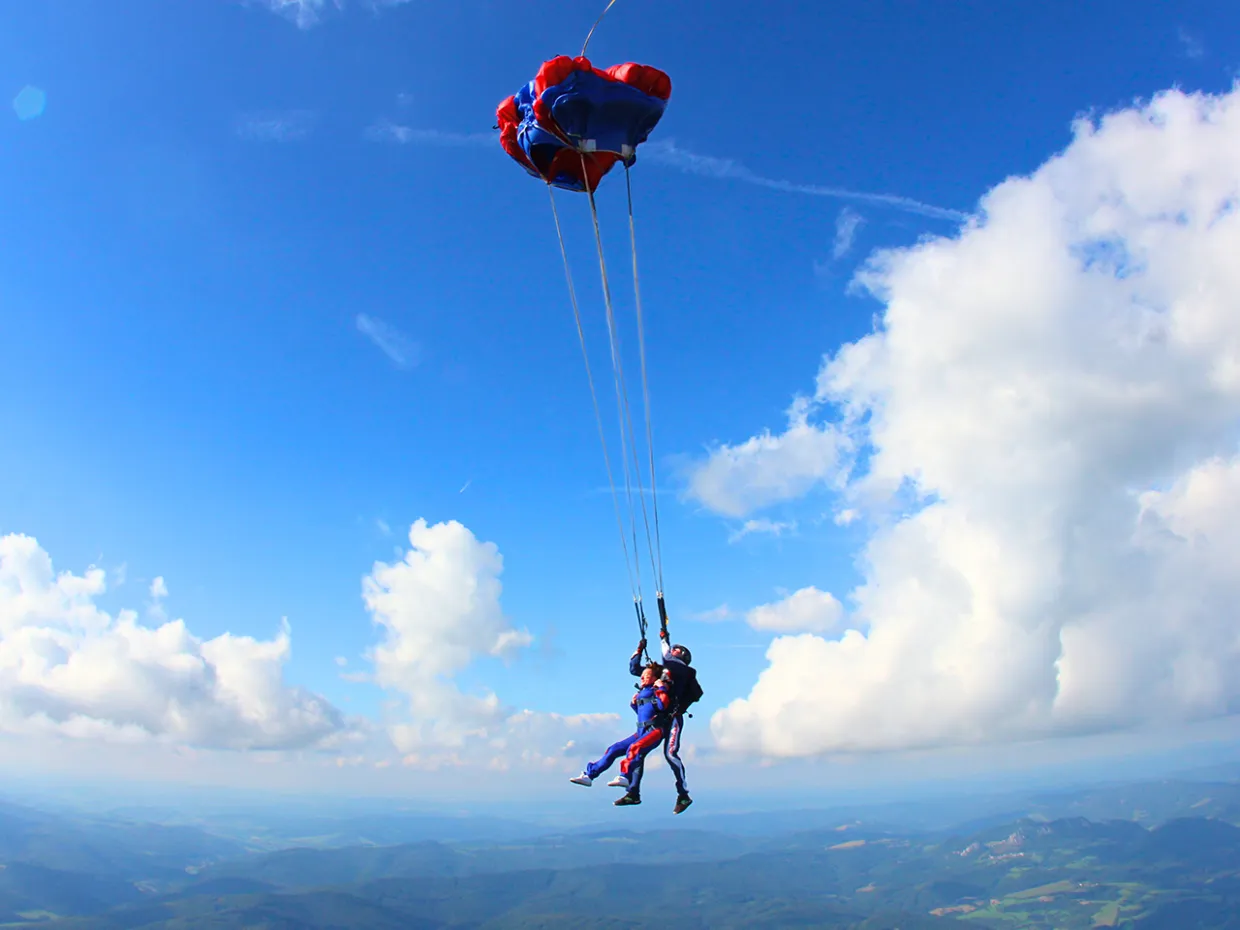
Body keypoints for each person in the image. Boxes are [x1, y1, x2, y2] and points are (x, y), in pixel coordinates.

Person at [569, 656, 670, 807]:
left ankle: (625, 776)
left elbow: (663, 706)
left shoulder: (657, 690)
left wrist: (661, 687)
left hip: (654, 731)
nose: (642, 678)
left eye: (646, 676)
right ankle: (589, 775)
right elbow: (643, 713)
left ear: (655, 678)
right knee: (614, 749)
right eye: (642, 676)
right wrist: (634, 704)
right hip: (641, 731)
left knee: (634, 748)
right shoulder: (644, 692)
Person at [658, 627, 701, 815]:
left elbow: (667, 658)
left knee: (670, 754)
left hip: (672, 718)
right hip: (662, 717)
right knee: (638, 748)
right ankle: (632, 788)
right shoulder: (673, 670)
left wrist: (664, 641)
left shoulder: (683, 670)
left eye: (676, 650)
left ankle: (683, 794)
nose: (672, 650)